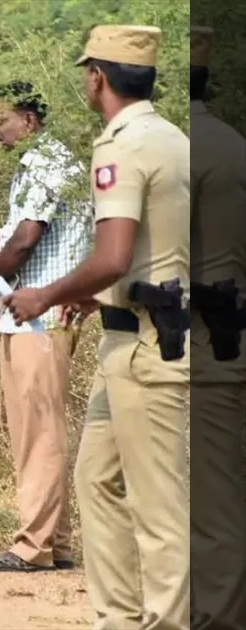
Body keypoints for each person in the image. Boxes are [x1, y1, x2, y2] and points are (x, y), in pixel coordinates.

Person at [4, 25, 190, 630]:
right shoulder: (172, 139)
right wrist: (95, 295)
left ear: (97, 78)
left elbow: (111, 255)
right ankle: (120, 618)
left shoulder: (121, 146)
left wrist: (48, 294)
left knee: (158, 505)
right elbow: (151, 248)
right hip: (137, 328)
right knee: (96, 479)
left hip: (147, 345)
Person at [0, 80, 92, 572]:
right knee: (35, 426)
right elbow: (11, 241)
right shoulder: (42, 164)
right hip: (24, 313)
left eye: (2, 121)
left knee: (39, 429)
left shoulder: (47, 163)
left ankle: (32, 545)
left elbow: (24, 241)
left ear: (30, 121)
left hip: (44, 315)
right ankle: (54, 542)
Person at [188, 25, 246, 630]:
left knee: (213, 503)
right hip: (221, 331)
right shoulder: (229, 142)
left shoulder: (185, 150)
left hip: (205, 336)